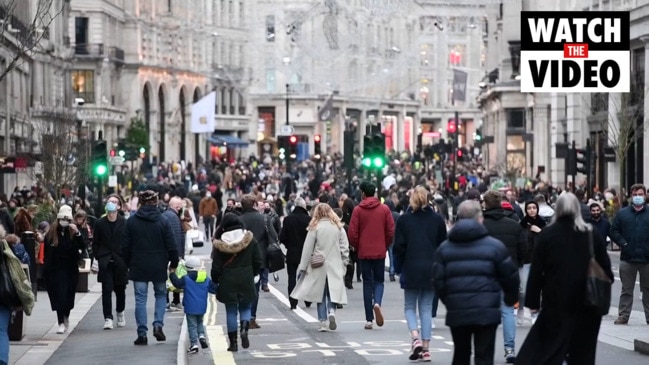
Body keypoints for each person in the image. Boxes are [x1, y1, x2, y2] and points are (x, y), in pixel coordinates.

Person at [516, 193, 614, 365]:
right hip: (587, 303)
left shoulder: (548, 235)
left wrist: (533, 302)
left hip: (556, 300)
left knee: (551, 349)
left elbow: (537, 271)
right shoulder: (590, 234)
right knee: (583, 353)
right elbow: (606, 270)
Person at [433, 200, 519, 365]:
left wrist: (449, 301)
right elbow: (509, 276)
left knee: (461, 354)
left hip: (458, 309)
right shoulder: (495, 246)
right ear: (480, 219)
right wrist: (510, 299)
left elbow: (438, 281)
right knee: (484, 356)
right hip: (486, 310)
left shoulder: (445, 248)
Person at [393, 186, 448, 362]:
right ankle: (426, 348)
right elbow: (443, 246)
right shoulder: (437, 220)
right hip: (431, 267)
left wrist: (398, 268)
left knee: (409, 306)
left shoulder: (404, 220)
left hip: (411, 265)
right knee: (426, 308)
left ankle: (414, 337)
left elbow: (398, 247)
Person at [121, 190, 179, 345]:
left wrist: (127, 264)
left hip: (138, 264)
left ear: (140, 202)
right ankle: (158, 325)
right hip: (159, 264)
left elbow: (125, 246)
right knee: (160, 295)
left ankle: (142, 333)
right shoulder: (163, 221)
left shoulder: (132, 221)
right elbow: (172, 245)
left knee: (140, 299)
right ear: (156, 202)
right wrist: (173, 264)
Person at [481, 190, 526, 363]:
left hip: (486, 273)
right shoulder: (514, 225)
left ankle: (486, 349)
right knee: (508, 311)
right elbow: (523, 249)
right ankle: (509, 348)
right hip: (509, 272)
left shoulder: (480, 224)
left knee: (486, 312)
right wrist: (517, 264)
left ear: (485, 204)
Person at [290, 203, 349, 332]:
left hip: (318, 265)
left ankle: (322, 322)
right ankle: (332, 311)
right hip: (335, 264)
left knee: (320, 294)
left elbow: (307, 249)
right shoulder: (339, 227)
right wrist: (344, 263)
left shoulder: (315, 227)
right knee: (332, 291)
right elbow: (345, 247)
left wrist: (303, 267)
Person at [211, 213, 262, 352]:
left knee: (231, 311)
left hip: (228, 279)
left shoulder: (220, 243)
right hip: (246, 277)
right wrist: (254, 273)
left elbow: (216, 267)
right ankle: (244, 330)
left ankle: (233, 343)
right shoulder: (250, 240)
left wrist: (215, 281)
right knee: (245, 307)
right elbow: (258, 260)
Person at [348, 182, 395, 330]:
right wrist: (385, 244)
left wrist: (357, 245)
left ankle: (369, 319)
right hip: (380, 250)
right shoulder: (384, 209)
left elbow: (352, 232)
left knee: (367, 283)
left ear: (363, 193)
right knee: (379, 281)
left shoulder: (358, 210)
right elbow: (390, 231)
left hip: (364, 251)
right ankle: (377, 303)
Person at [609, 183, 649, 325]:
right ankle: (623, 316)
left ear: (645, 195)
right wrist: (623, 243)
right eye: (635, 195)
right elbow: (613, 230)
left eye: (640, 194)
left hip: (646, 259)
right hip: (628, 258)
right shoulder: (623, 214)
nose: (638, 197)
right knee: (627, 290)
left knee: (648, 290)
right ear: (631, 196)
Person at [43, 205, 86, 334]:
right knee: (59, 296)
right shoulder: (51, 233)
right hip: (56, 270)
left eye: (67, 219)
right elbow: (47, 252)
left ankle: (66, 316)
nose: (65, 222)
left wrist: (77, 234)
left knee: (68, 296)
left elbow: (82, 247)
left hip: (70, 269)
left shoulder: (73, 232)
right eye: (63, 219)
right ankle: (60, 321)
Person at [238, 194, 272, 329]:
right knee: (255, 290)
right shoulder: (264, 219)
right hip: (260, 258)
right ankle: (251, 317)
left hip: (242, 259)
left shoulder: (238, 220)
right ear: (254, 205)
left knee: (242, 289)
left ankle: (243, 316)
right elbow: (272, 237)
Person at [92, 200, 128, 330]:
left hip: (120, 260)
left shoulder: (124, 222)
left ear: (117, 210)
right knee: (106, 290)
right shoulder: (100, 223)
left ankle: (120, 311)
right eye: (109, 212)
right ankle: (108, 317)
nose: (111, 214)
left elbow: (128, 241)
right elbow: (95, 242)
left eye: (113, 212)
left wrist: (126, 258)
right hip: (106, 260)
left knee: (120, 290)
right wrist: (98, 256)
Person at [169, 256, 210, 354]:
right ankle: (201, 336)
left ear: (187, 268)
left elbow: (177, 284)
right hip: (202, 306)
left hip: (190, 307)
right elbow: (213, 288)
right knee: (200, 322)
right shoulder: (205, 278)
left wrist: (172, 274)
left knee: (192, 326)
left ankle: (194, 345)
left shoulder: (186, 279)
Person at [279, 197, 311, 310]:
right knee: (307, 276)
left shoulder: (288, 219)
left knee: (291, 276)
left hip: (292, 251)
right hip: (306, 252)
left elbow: (282, 237)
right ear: (304, 206)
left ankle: (293, 301)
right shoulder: (309, 219)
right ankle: (307, 299)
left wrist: (288, 245)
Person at [518, 200, 547, 323]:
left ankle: (535, 312)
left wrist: (540, 231)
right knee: (523, 289)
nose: (532, 210)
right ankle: (520, 309)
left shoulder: (543, 224)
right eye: (529, 208)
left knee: (539, 289)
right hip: (526, 260)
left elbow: (549, 241)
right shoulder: (521, 224)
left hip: (540, 260)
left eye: (534, 208)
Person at [163, 196, 185, 311]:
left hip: (169, 252)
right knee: (173, 276)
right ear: (177, 207)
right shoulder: (173, 217)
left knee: (171, 277)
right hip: (172, 253)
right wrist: (179, 255)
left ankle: (173, 301)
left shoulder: (167, 215)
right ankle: (173, 301)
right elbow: (177, 237)